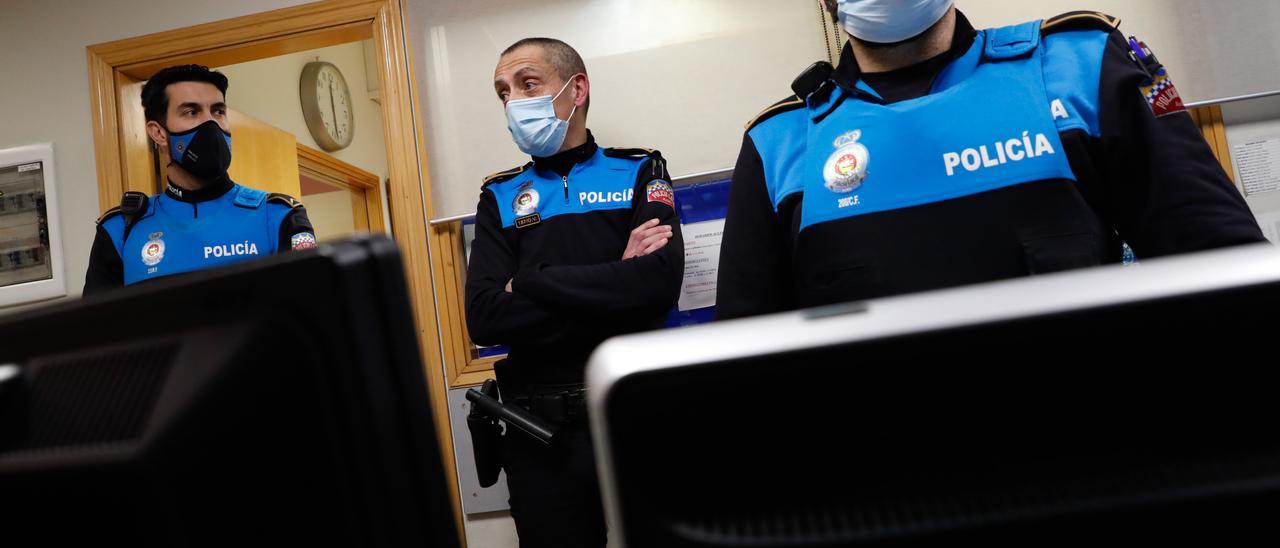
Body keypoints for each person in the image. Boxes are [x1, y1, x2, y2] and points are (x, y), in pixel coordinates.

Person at [716, 1, 1266, 319]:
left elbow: (1231, 276)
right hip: (883, 505)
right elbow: (739, 381)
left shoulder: (1081, 68)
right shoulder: (780, 146)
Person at [465, 37, 683, 547]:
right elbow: (486, 317)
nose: (513, 102)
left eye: (527, 84)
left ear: (576, 88)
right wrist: (614, 280)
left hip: (637, 419)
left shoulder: (638, 170)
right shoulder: (498, 196)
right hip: (539, 436)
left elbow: (656, 286)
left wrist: (534, 281)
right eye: (503, 93)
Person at [84, 64, 315, 295]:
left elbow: (314, 315)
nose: (211, 124)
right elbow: (97, 329)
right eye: (192, 112)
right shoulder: (120, 231)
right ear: (159, 133)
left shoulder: (279, 216)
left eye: (218, 111)